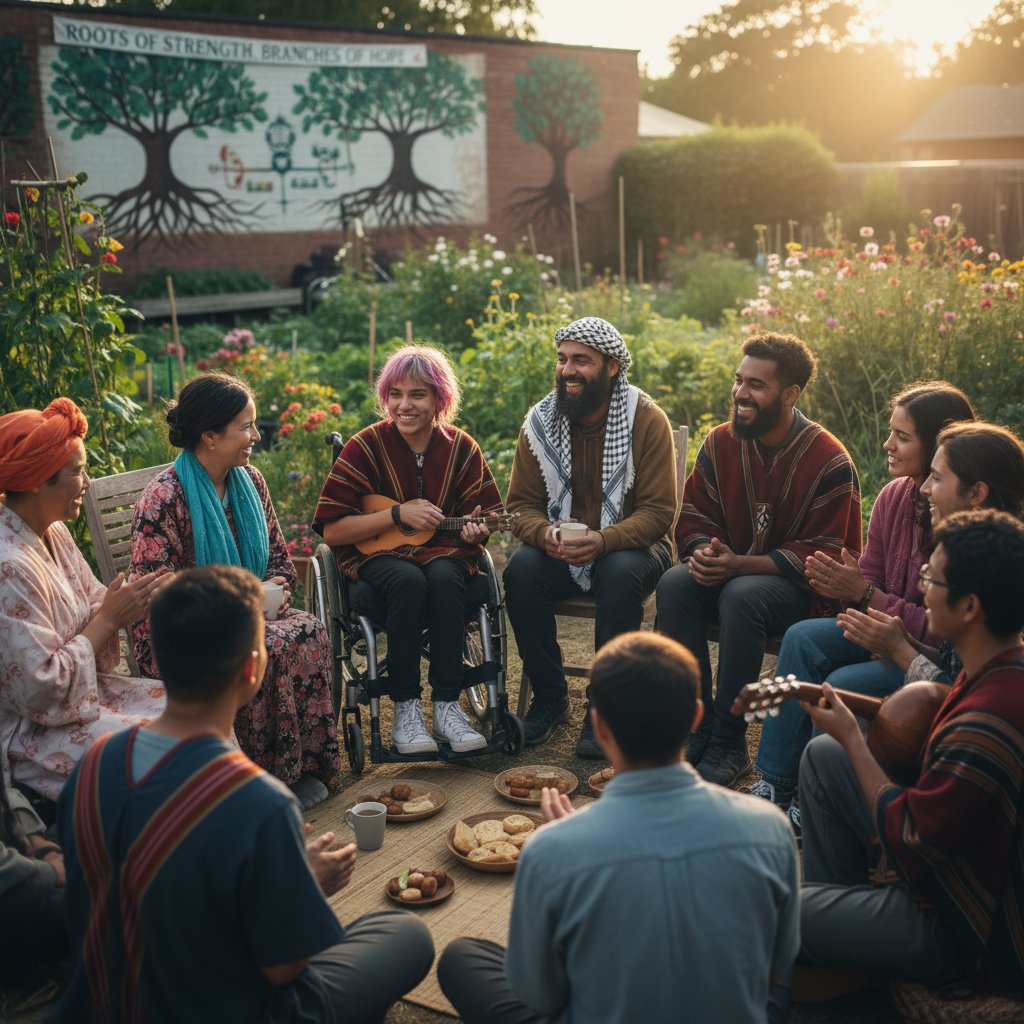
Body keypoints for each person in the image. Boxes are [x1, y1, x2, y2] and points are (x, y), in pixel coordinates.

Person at [50, 565, 434, 1023]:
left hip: (103, 1007)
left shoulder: (92, 765)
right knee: (406, 934)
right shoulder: (261, 804)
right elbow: (282, 968)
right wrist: (303, 884)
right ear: (254, 668)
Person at [436, 631, 799, 1024]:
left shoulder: (550, 850)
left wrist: (570, 844)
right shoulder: (771, 827)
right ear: (696, 717)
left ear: (600, 726)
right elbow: (776, 972)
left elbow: (541, 995)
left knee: (461, 957)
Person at [796, 509, 1024, 999]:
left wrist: (855, 738)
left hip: (964, 929)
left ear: (969, 607)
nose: (921, 590)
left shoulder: (991, 717)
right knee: (824, 757)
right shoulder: (995, 666)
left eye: (931, 578)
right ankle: (846, 942)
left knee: (768, 909)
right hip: (938, 874)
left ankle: (850, 946)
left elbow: (913, 837)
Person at [752, 382, 976, 817]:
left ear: (937, 444)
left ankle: (813, 802)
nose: (888, 445)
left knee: (843, 686)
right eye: (891, 432)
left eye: (902, 437)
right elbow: (870, 575)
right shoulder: (895, 496)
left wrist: (865, 595)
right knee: (802, 637)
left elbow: (943, 630)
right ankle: (775, 781)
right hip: (887, 634)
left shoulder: (967, 522)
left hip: (926, 655)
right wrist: (848, 588)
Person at [656, 331, 861, 788]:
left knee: (743, 595)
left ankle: (730, 740)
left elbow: (828, 554)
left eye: (756, 385)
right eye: (738, 380)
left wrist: (739, 566)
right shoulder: (720, 442)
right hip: (731, 578)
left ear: (791, 394)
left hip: (799, 594)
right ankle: (697, 725)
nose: (740, 393)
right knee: (675, 583)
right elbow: (693, 515)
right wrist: (705, 552)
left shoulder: (829, 460)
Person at [129, 373, 340, 809]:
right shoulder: (164, 498)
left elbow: (280, 561)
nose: (256, 436)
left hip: (249, 609)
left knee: (308, 631)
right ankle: (251, 779)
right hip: (179, 628)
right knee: (260, 642)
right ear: (209, 435)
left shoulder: (251, 482)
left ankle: (298, 769)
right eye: (246, 427)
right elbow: (156, 591)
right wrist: (240, 602)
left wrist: (273, 588)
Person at [313, 345, 504, 755]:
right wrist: (398, 514)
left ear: (439, 399)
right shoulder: (365, 446)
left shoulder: (461, 448)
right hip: (375, 559)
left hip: (445, 556)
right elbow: (332, 531)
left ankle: (448, 708)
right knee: (407, 580)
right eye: (395, 393)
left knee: (445, 576)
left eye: (417, 394)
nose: (404, 405)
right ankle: (405, 711)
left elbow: (485, 516)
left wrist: (474, 534)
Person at [502, 317, 677, 756]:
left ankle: (605, 706)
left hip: (634, 548)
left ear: (612, 366)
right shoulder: (540, 422)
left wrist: (603, 540)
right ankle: (550, 696)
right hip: (561, 548)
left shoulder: (645, 419)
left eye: (582, 360)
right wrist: (545, 535)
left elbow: (658, 513)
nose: (568, 370)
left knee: (618, 572)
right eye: (562, 360)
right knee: (521, 569)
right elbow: (520, 505)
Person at [0, 398, 166, 803]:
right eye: (78, 472)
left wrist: (134, 600)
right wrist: (110, 620)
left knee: (200, 716)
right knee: (161, 758)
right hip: (33, 731)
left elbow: (96, 602)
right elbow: (37, 690)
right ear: (40, 479)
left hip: (86, 699)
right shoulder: (8, 568)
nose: (88, 483)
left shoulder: (52, 531)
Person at [832, 420, 1024, 686]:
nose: (924, 489)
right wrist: (904, 641)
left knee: (843, 683)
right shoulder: (968, 544)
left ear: (977, 492)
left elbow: (963, 690)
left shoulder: (998, 563)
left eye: (937, 477)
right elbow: (955, 665)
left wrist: (900, 649)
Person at [0, 774, 68, 986]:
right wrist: (51, 872)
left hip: (18, 860)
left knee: (73, 822)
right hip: (9, 887)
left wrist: (37, 841)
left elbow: (7, 793)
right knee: (86, 899)